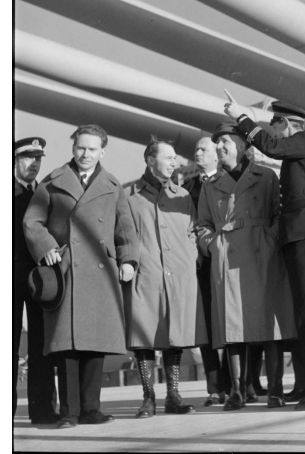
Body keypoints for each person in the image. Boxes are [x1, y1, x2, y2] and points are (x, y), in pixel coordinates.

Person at [224, 94, 305, 410]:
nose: (274, 132)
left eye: (275, 126)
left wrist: (242, 118)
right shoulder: (302, 149)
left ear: (286, 123)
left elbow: (273, 147)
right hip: (300, 236)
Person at [23, 124, 139, 428]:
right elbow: (32, 222)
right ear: (73, 148)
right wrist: (46, 247)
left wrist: (127, 260)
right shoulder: (52, 182)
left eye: (91, 149)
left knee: (95, 344)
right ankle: (69, 412)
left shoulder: (113, 186)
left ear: (102, 150)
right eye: (80, 148)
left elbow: (125, 229)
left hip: (101, 271)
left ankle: (91, 409)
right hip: (67, 271)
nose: (85, 154)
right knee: (68, 345)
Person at [197, 122, 297, 410]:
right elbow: (201, 224)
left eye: (226, 141)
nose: (220, 147)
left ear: (243, 145)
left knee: (270, 324)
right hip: (227, 257)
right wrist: (213, 245)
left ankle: (275, 389)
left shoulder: (266, 177)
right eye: (217, 143)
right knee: (233, 327)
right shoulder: (210, 185)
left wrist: (269, 238)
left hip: (262, 255)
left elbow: (280, 213)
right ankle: (237, 392)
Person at [125, 138, 208, 418]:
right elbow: (123, 234)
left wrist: (192, 257)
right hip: (146, 273)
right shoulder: (131, 197)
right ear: (150, 160)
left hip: (179, 274)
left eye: (175, 158)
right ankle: (148, 397)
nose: (174, 162)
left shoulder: (182, 196)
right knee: (145, 335)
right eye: (168, 157)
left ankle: (173, 395)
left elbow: (192, 230)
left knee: (175, 335)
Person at [13, 137, 58, 425]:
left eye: (38, 157)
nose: (34, 163)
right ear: (14, 160)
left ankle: (43, 410)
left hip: (39, 276)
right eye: (28, 157)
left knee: (43, 343)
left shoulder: (45, 194)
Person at [183, 136, 231, 406]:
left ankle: (237, 382)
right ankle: (215, 387)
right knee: (207, 326)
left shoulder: (229, 181)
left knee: (231, 320)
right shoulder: (187, 187)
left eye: (203, 149)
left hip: (225, 259)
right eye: (196, 149)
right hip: (200, 265)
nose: (197, 153)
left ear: (217, 155)